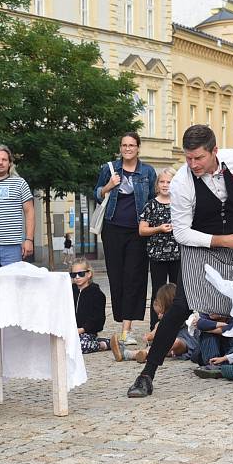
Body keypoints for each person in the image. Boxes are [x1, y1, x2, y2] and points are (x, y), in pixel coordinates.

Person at [127, 125, 233, 398]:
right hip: (200, 247)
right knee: (180, 307)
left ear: (214, 151)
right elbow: (181, 233)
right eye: (188, 158)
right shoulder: (182, 183)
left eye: (199, 158)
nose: (193, 164)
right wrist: (221, 240)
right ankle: (146, 375)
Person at [94, 132, 157, 345]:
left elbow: (152, 201)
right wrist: (109, 186)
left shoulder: (147, 171)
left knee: (134, 278)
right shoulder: (109, 168)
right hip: (112, 229)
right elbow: (97, 194)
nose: (127, 148)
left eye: (131, 145)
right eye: (124, 145)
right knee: (116, 278)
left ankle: (126, 329)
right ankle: (121, 319)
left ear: (138, 148)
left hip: (137, 232)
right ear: (120, 148)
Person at [111, 284, 197, 363]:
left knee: (175, 343)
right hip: (167, 348)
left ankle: (141, 353)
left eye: (161, 313)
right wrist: (149, 336)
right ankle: (129, 354)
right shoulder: (160, 323)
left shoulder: (183, 317)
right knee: (162, 346)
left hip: (185, 344)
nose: (159, 316)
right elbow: (154, 332)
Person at [138, 166, 180, 331]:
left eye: (169, 182)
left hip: (177, 254)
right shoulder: (151, 205)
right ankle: (155, 327)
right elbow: (142, 230)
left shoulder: (180, 203)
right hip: (157, 256)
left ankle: (178, 325)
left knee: (178, 291)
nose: (165, 185)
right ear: (157, 185)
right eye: (162, 181)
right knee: (158, 291)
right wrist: (159, 228)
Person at [70, 258, 109, 354]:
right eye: (74, 275)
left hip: (88, 332)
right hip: (71, 331)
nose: (77, 277)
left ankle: (103, 344)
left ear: (89, 274)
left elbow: (98, 318)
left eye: (81, 274)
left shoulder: (96, 294)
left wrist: (83, 329)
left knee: (80, 346)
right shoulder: (69, 291)